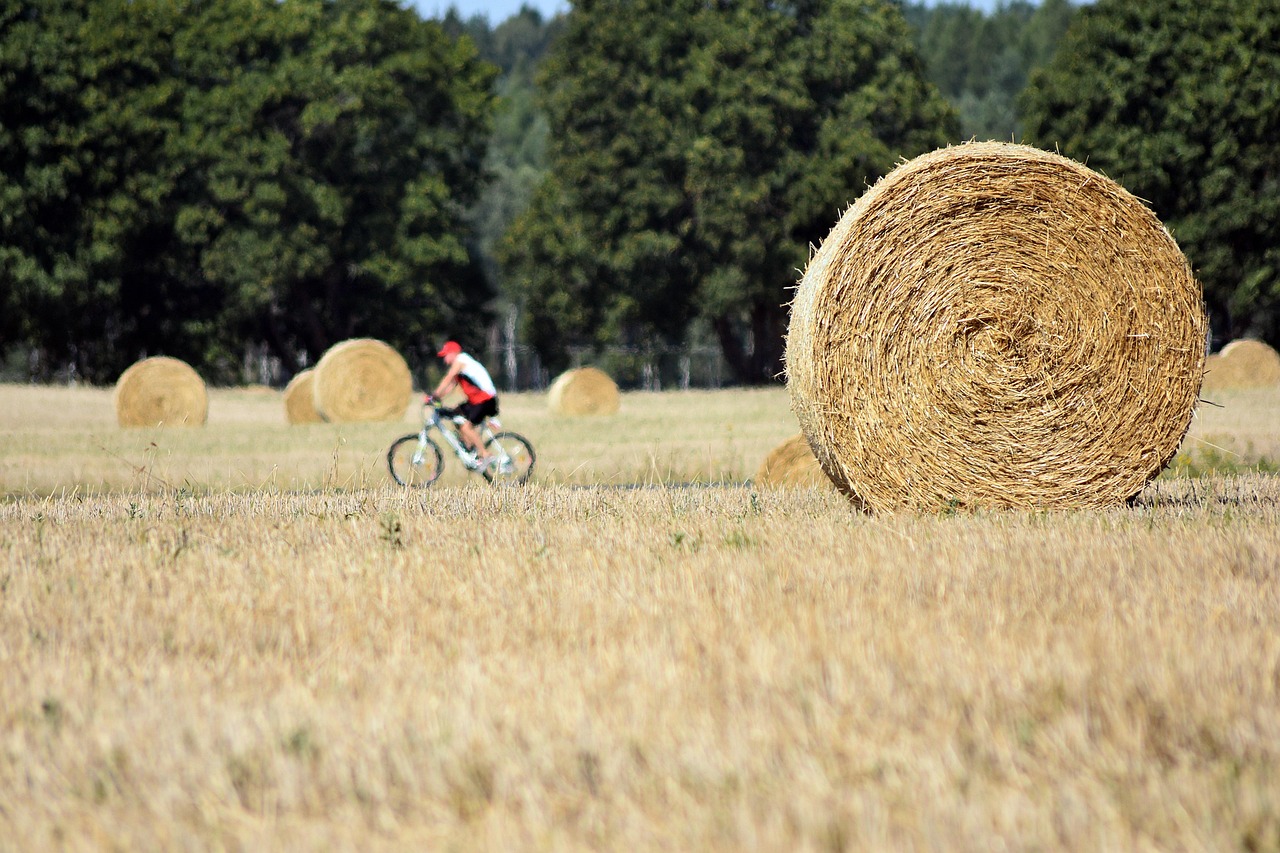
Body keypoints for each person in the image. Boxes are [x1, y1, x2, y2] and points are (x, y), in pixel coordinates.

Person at [429, 340, 500, 469]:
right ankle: (470, 449)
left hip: (485, 399)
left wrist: (435, 394)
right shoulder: (461, 365)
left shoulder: (461, 360)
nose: (444, 359)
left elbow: (448, 378)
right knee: (456, 417)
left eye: (446, 355)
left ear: (454, 353)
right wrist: (437, 397)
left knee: (466, 427)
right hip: (477, 400)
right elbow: (451, 386)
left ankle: (484, 453)